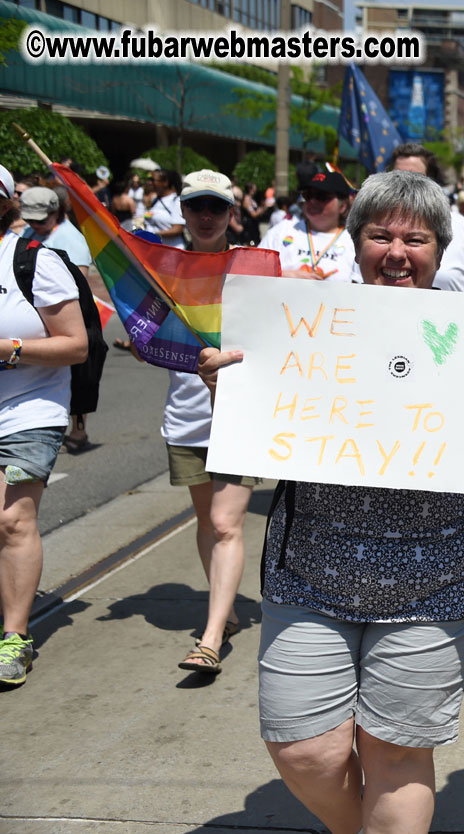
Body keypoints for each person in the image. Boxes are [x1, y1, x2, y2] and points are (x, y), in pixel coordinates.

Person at [197, 170, 464, 833]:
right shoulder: (305, 324)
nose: (397, 252)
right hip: (312, 571)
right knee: (305, 748)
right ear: (353, 243)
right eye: (380, 235)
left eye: (415, 239)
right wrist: (227, 388)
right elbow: (256, 431)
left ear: (441, 252)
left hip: (441, 581)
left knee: (395, 753)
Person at [144, 171, 262, 675]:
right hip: (187, 420)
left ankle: (211, 637)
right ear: (183, 212)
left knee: (223, 522)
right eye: (197, 207)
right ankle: (227, 608)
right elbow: (143, 328)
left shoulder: (249, 269)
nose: (207, 216)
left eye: (217, 207)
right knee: (206, 525)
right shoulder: (159, 271)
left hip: (239, 416)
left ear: (231, 212)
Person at [0, 163, 89, 686]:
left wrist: (9, 350)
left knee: (11, 521)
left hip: (28, 411)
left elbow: (74, 345)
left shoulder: (34, 261)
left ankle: (14, 637)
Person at [19, 186, 96, 453]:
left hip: (68, 318)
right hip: (40, 319)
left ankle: (78, 429)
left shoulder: (70, 239)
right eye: (29, 219)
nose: (34, 225)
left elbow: (81, 284)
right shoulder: (30, 233)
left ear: (57, 211)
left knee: (78, 376)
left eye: (40, 220)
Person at [387, 146, 464, 295]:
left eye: (415, 178)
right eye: (397, 177)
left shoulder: (458, 226)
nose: (405, 185)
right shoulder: (370, 228)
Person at [258, 170, 361, 283]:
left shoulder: (355, 240)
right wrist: (286, 275)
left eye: (321, 196)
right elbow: (253, 270)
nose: (312, 201)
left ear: (343, 206)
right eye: (308, 195)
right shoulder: (281, 231)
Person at [142, 169, 186, 249]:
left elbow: (177, 229)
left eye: (153, 180)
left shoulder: (176, 201)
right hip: (156, 250)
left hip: (172, 251)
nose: (150, 183)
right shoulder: (155, 200)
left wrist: (152, 234)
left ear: (165, 183)